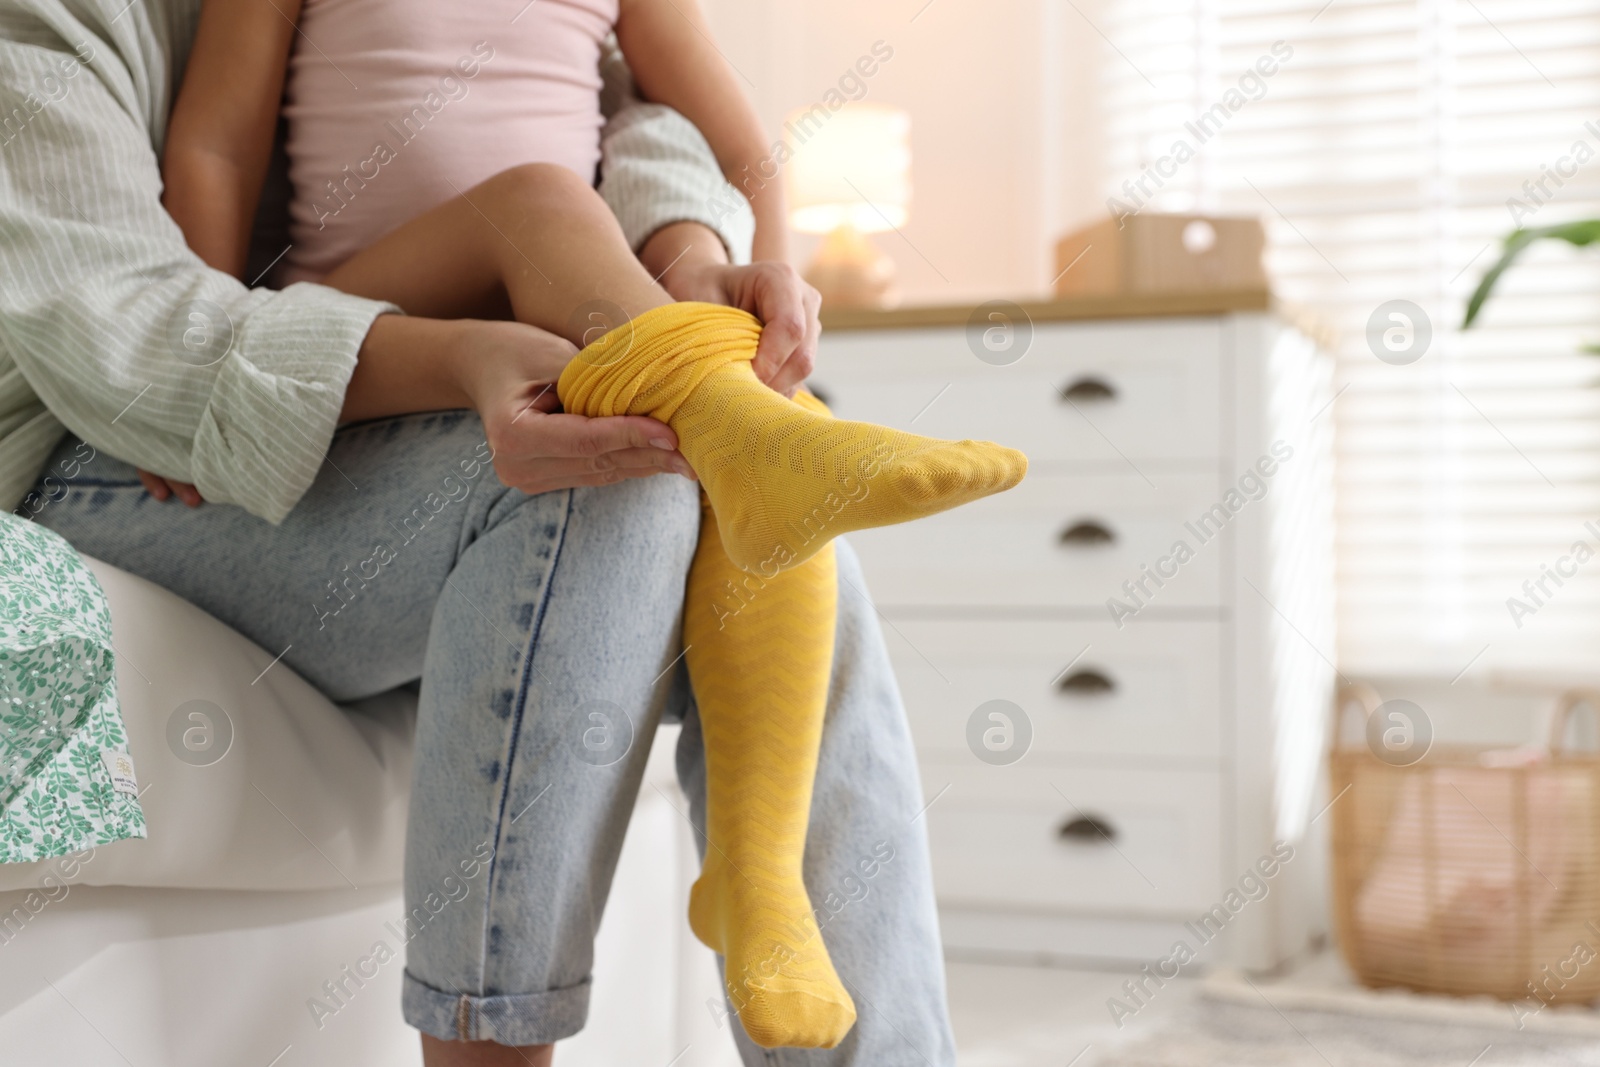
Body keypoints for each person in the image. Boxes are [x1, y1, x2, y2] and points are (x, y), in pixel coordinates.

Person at [0, 2, 959, 1065]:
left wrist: (700, 261)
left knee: (752, 511)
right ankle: (734, 420)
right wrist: (435, 359)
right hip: (109, 439)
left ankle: (797, 925)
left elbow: (668, 116)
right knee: (621, 465)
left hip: (447, 354)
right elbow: (144, 310)